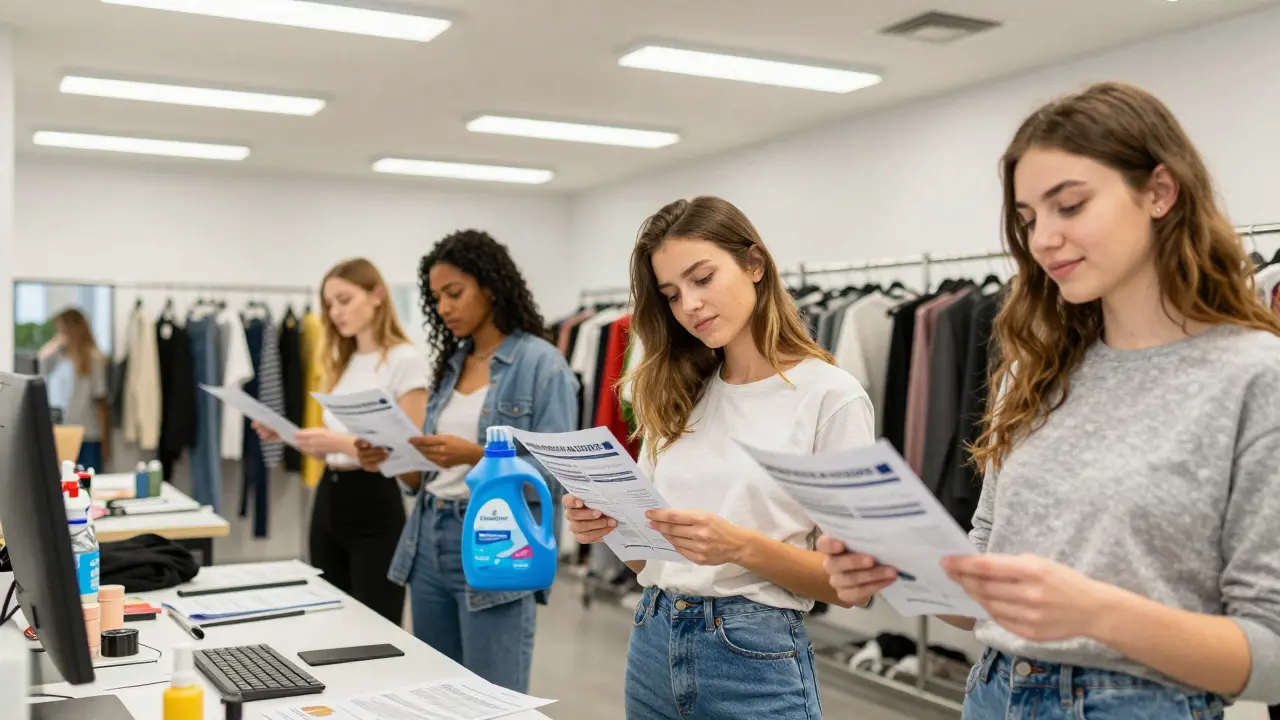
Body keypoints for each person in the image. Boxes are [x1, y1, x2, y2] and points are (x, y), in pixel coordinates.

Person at [819, 82, 1280, 716]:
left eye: (1069, 206)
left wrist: (1095, 611)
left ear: (1160, 192)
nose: (1041, 240)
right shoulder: (1035, 371)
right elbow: (985, 590)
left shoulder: (1256, 377)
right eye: (1029, 219)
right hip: (994, 692)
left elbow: (1272, 654)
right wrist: (899, 569)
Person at [564, 196, 876, 719]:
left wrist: (740, 546)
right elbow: (650, 560)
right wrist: (608, 526)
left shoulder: (830, 396)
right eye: (671, 294)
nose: (688, 305)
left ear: (754, 264)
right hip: (652, 639)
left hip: (752, 655)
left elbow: (854, 589)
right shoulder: (674, 391)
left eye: (702, 278)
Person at [355, 229, 578, 693]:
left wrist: (478, 456)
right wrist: (393, 457)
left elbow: (561, 476)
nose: (444, 308)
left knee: (490, 695)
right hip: (429, 537)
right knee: (437, 693)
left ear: (491, 285)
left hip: (499, 542)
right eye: (436, 298)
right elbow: (426, 478)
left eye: (454, 293)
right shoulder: (452, 364)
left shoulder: (543, 365)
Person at [254, 258, 427, 625]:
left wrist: (337, 442)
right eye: (329, 304)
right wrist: (286, 434)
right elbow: (335, 442)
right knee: (330, 621)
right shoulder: (343, 360)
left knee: (377, 626)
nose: (335, 312)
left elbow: (411, 453)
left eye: (344, 300)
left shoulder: (405, 360)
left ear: (377, 295)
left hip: (375, 502)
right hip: (329, 497)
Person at [38, 308, 111, 471]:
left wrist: (106, 444)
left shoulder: (94, 358)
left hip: (89, 435)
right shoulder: (59, 358)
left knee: (87, 486)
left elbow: (102, 404)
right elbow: (40, 366)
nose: (60, 333)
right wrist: (55, 344)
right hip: (64, 432)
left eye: (62, 329)